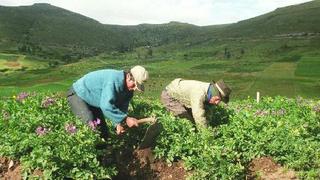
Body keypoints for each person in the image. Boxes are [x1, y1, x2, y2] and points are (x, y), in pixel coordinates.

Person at [67, 65, 149, 138]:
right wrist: (126, 119)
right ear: (128, 76)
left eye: (137, 86)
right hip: (78, 94)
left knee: (103, 133)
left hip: (94, 100)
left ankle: (104, 152)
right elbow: (106, 106)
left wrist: (118, 124)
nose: (134, 88)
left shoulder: (129, 91)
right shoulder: (113, 80)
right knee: (91, 126)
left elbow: (122, 107)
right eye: (134, 84)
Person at [161, 78, 231, 127]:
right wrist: (205, 135)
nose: (217, 103)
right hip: (170, 96)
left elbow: (208, 113)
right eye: (218, 99)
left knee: (194, 121)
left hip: (183, 98)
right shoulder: (199, 93)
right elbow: (198, 115)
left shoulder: (210, 95)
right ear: (214, 93)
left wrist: (208, 124)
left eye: (220, 101)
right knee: (188, 122)